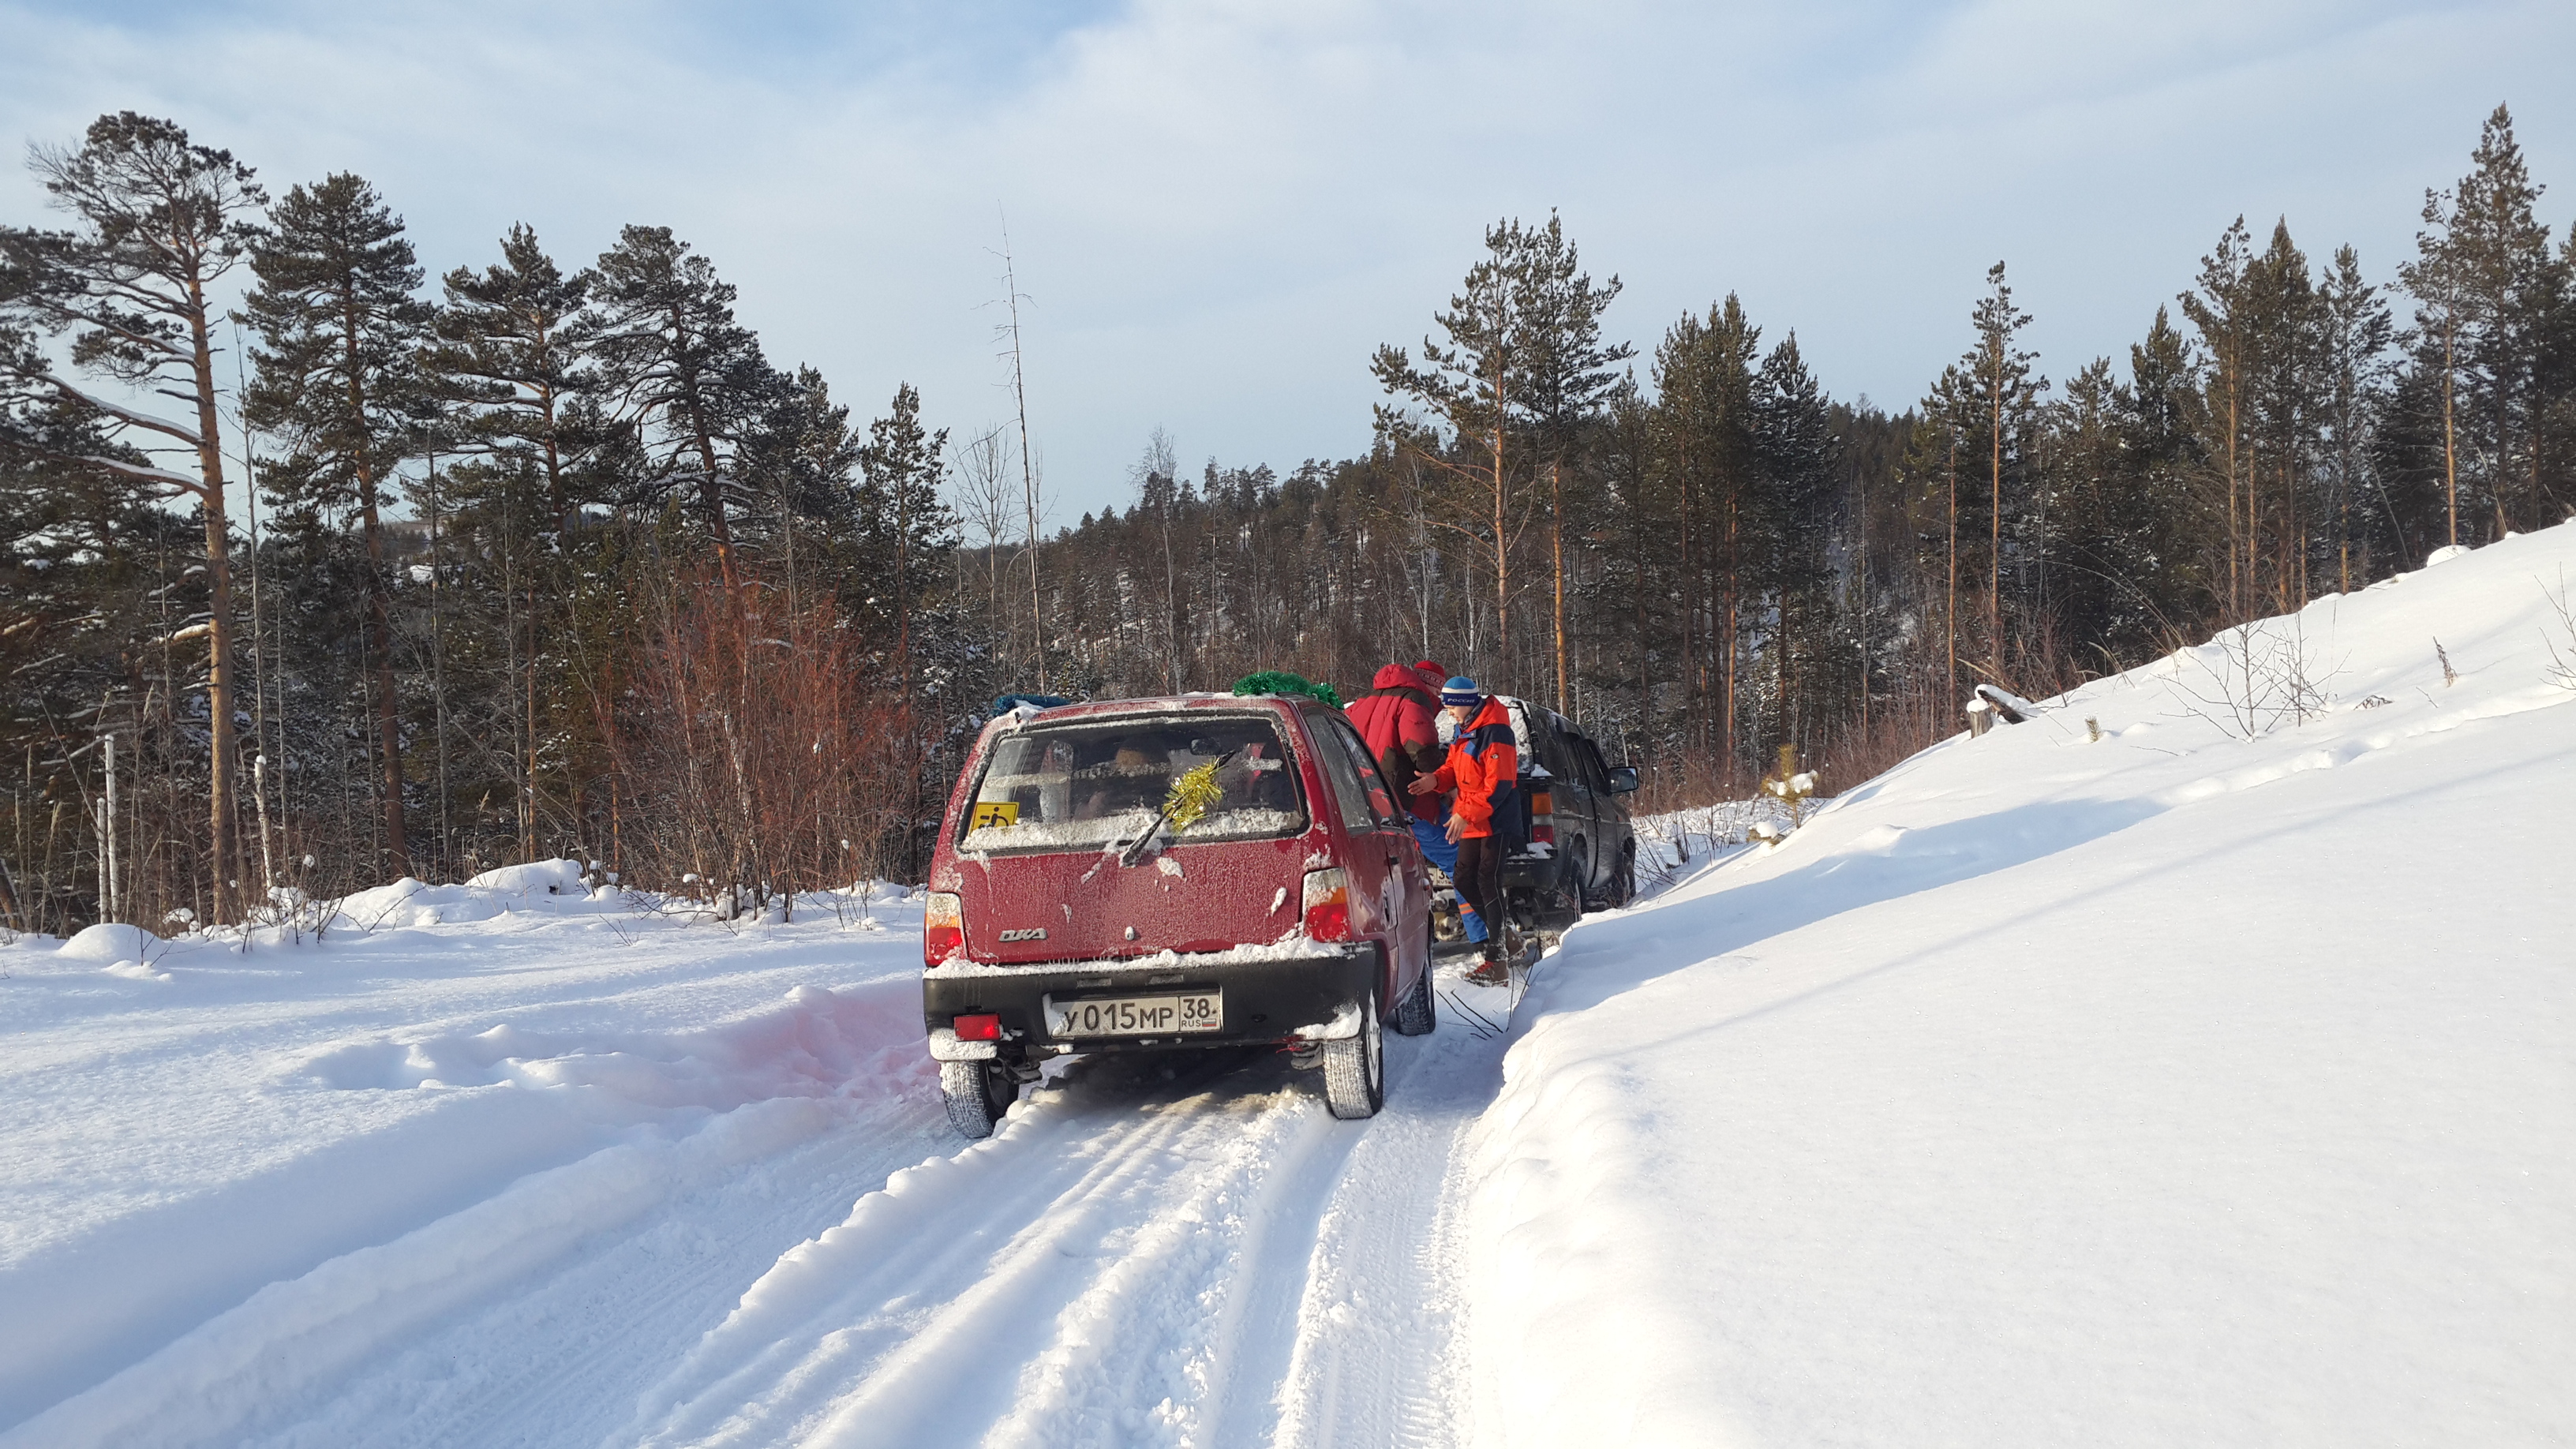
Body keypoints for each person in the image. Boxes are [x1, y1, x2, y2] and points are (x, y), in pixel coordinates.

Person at [1346, 661, 1489, 948]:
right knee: (1461, 861)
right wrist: (1445, 786)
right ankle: (1484, 938)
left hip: (1364, 802)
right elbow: (1422, 748)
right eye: (1440, 689)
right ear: (1432, 685)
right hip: (1404, 800)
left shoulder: (1361, 704)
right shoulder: (1414, 701)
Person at [1410, 676, 1518, 985]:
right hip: (1470, 818)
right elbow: (1455, 770)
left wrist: (1464, 814)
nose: (1446, 711)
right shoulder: (1466, 730)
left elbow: (1499, 785)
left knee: (1488, 882)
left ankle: (1497, 963)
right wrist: (1436, 780)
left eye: (1449, 705)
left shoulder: (1495, 731)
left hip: (1494, 819)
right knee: (1463, 880)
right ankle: (1507, 938)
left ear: (1463, 703)